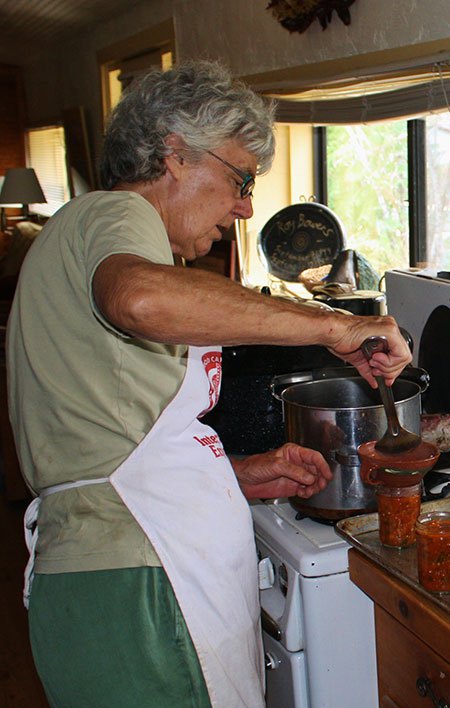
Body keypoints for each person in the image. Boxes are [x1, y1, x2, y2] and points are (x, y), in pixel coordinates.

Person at [6, 61, 411, 707]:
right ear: (174, 154)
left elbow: (110, 434)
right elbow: (137, 299)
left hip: (125, 572)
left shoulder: (94, 235)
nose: (246, 205)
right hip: (138, 583)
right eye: (240, 178)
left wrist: (240, 473)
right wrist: (333, 327)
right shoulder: (117, 215)